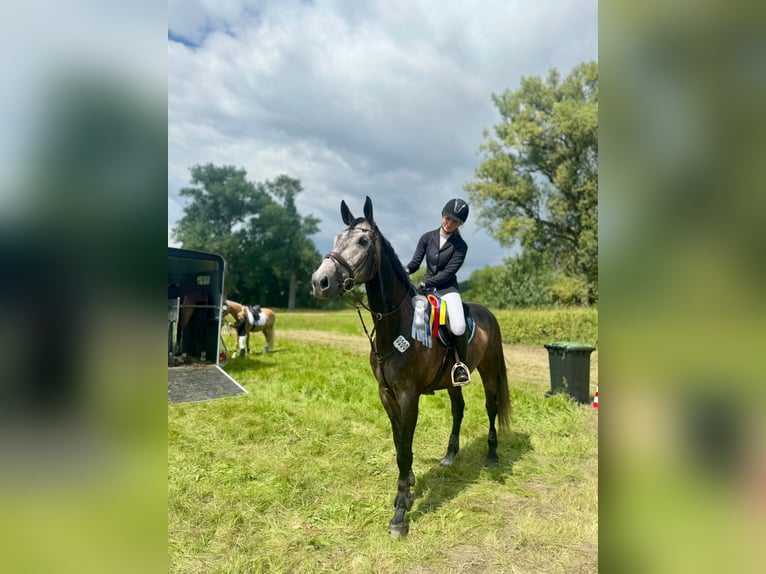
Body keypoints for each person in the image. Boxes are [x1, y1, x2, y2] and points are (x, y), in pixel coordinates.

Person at [406, 198, 471, 384]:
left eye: (455, 222)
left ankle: (460, 366)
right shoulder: (427, 237)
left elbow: (449, 272)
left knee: (458, 326)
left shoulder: (461, 246)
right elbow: (415, 263)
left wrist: (426, 282)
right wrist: (404, 271)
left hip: (447, 289)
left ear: (460, 224)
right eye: (448, 218)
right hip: (425, 290)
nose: (449, 224)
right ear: (442, 215)